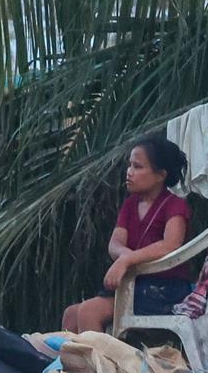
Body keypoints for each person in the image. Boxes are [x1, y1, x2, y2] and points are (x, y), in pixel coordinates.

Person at [61, 135, 192, 334]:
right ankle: (68, 363)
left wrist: (127, 260)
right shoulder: (130, 204)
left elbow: (170, 245)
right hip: (134, 283)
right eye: (130, 165)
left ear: (160, 175)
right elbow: (115, 243)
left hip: (163, 289)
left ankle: (101, 364)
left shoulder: (175, 205)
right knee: (71, 314)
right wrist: (124, 259)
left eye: (137, 167)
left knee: (89, 312)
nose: (129, 172)